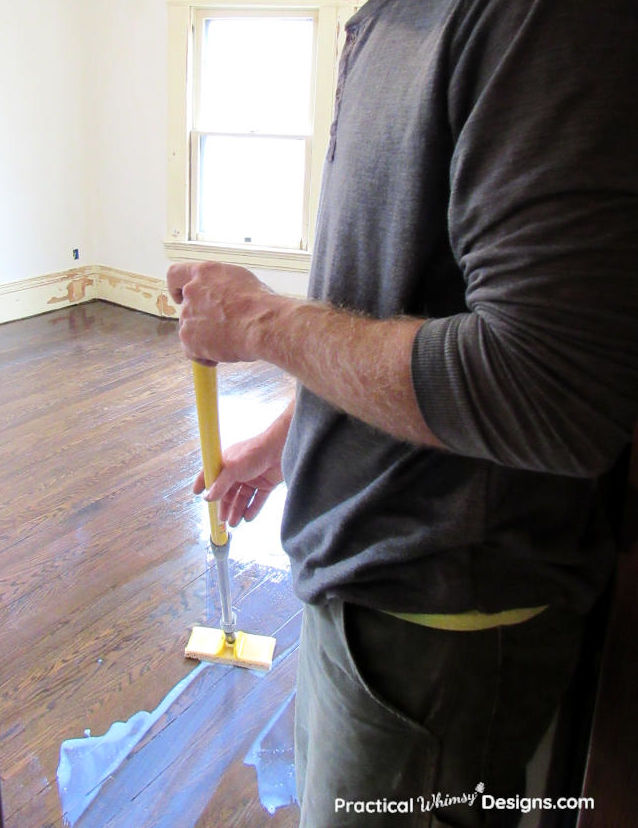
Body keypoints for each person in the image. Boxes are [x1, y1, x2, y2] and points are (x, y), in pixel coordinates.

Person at [167, 0, 638, 824]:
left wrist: (255, 322)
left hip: (437, 630)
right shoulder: (391, 17)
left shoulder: (539, 19)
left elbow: (549, 387)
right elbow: (392, 300)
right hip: (359, 591)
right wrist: (291, 438)